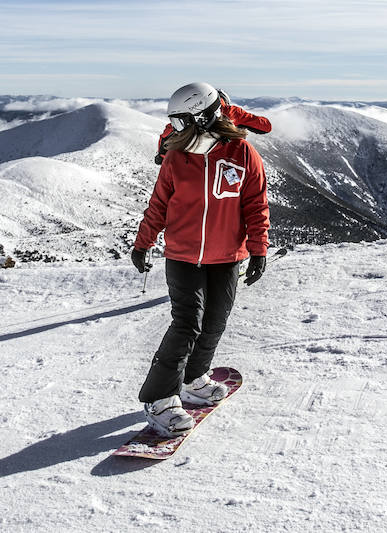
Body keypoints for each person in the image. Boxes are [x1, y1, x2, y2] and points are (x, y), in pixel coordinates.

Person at [131, 82, 271, 436]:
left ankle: (193, 379)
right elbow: (159, 204)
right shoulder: (177, 157)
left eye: (181, 122)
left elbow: (256, 204)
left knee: (215, 321)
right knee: (187, 323)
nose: (175, 131)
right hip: (183, 255)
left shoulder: (242, 153)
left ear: (204, 116)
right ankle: (160, 398)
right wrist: (142, 243)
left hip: (227, 256)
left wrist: (258, 250)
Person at [151, 86, 271, 164]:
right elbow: (265, 126)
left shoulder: (188, 117)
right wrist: (239, 126)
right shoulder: (232, 112)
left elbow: (167, 134)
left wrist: (161, 156)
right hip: (230, 158)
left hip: (194, 160)